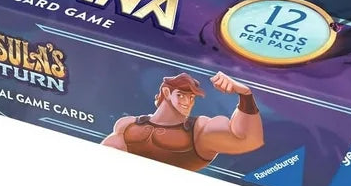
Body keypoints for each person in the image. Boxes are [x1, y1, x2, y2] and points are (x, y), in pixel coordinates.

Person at [101, 71, 263, 171]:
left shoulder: (199, 130)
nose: (187, 102)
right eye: (181, 95)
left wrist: (245, 95)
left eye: (191, 97)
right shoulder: (128, 124)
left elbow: (248, 139)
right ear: (166, 92)